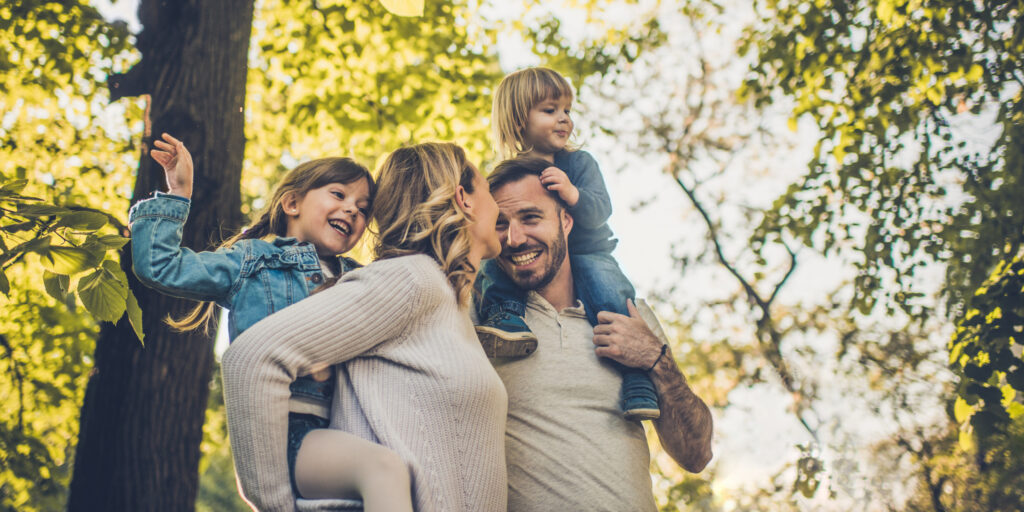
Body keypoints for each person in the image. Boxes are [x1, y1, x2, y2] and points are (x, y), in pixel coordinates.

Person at [129, 133, 413, 511]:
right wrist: (179, 193)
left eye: (363, 209)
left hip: (347, 425)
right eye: (338, 195)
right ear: (292, 202)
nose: (351, 211)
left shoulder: (358, 277)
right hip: (287, 431)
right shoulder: (251, 261)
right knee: (382, 470)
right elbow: (162, 266)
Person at [221, 142, 509, 512]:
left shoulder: (449, 302)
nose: (499, 209)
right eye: (489, 191)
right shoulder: (411, 280)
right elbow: (250, 358)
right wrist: (276, 504)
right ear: (463, 198)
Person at [483, 157, 714, 511]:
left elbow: (695, 454)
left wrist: (655, 359)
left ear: (566, 220)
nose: (514, 238)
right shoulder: (481, 318)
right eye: (501, 224)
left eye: (531, 218)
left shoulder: (629, 314)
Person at [475, 66, 661, 420]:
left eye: (567, 111)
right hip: (534, 259)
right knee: (492, 263)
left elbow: (601, 209)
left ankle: (637, 379)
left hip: (588, 252)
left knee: (609, 293)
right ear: (518, 121)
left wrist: (572, 194)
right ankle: (506, 317)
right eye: (550, 111)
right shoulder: (507, 176)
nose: (564, 119)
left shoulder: (578, 163)